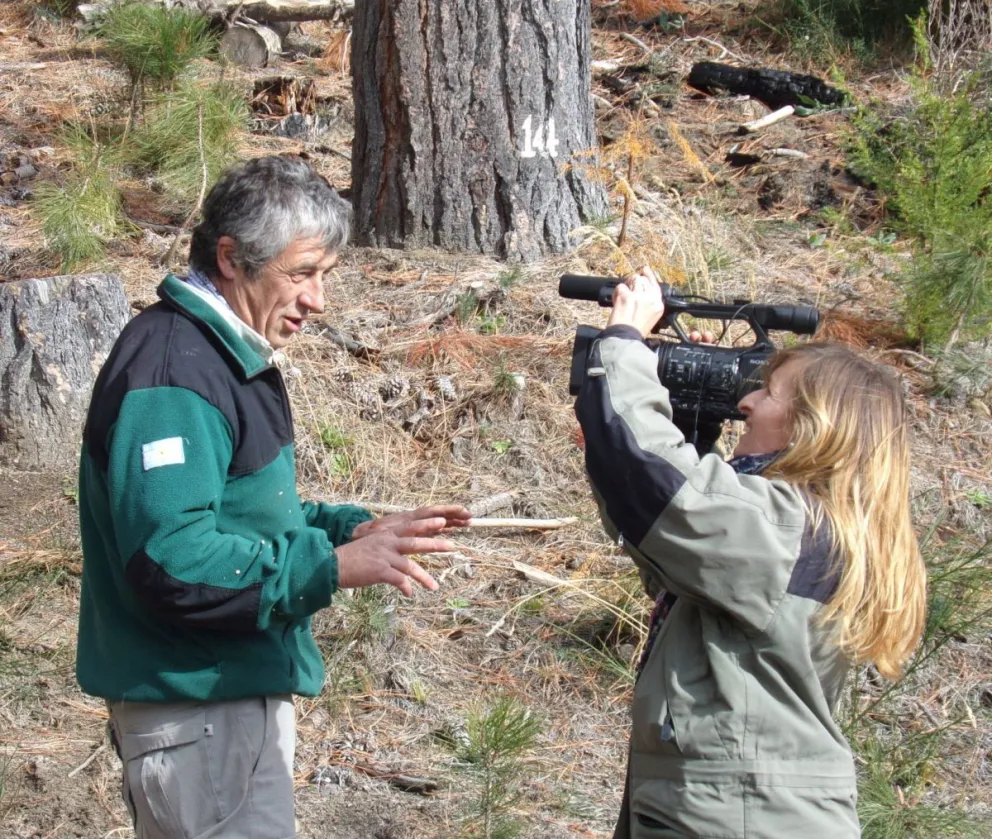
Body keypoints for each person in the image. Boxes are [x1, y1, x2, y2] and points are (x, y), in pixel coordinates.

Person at [75, 155, 471, 839]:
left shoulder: (218, 355)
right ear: (231, 257)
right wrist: (328, 567)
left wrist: (348, 530)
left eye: (325, 275)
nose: (318, 300)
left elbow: (239, 514)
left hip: (218, 711)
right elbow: (171, 559)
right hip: (199, 713)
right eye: (302, 273)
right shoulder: (175, 369)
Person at [574, 266, 927, 838]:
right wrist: (683, 427)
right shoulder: (827, 529)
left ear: (814, 426)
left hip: (738, 815)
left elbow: (658, 490)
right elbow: (667, 539)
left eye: (768, 392)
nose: (747, 402)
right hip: (753, 808)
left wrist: (624, 341)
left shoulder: (787, 527)